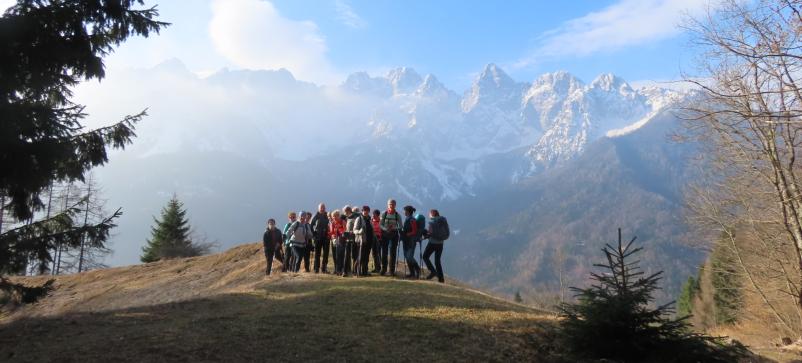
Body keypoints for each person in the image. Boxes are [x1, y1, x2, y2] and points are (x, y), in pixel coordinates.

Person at [423, 209, 449, 283]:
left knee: (425, 256)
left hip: (432, 243)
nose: (429, 215)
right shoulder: (443, 220)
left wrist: (425, 235)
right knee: (437, 261)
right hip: (440, 243)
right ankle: (441, 279)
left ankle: (433, 271)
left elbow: (430, 233)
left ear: (433, 214)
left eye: (429, 214)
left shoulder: (432, 222)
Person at [380, 199, 402, 276]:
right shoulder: (384, 214)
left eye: (393, 204)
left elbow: (401, 226)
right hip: (385, 235)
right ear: (387, 205)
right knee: (384, 253)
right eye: (390, 204)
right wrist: (386, 229)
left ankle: (391, 271)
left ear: (395, 205)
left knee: (393, 253)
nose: (391, 206)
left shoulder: (397, 215)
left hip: (394, 235)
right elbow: (380, 225)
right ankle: (383, 269)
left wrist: (394, 228)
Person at [353, 205, 374, 276]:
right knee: (360, 256)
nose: (366, 212)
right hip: (361, 240)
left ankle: (365, 271)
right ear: (362, 211)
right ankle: (356, 271)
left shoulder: (369, 219)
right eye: (364, 210)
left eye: (367, 210)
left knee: (366, 257)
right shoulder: (359, 219)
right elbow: (354, 230)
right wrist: (359, 232)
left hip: (369, 240)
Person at [401, 205, 421, 279]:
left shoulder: (412, 220)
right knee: (407, 257)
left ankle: (417, 269)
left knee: (409, 257)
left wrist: (407, 234)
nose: (404, 212)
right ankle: (412, 273)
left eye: (405, 211)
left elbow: (414, 231)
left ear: (408, 212)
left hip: (411, 241)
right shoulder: (408, 219)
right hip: (406, 240)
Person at [310, 203, 330, 273]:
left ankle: (324, 269)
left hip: (326, 238)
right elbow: (311, 226)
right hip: (317, 238)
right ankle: (316, 269)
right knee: (317, 254)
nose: (322, 209)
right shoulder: (315, 216)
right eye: (321, 207)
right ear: (318, 208)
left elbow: (330, 225)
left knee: (326, 254)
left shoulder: (327, 216)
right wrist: (314, 235)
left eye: (323, 207)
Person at [330, 210, 346, 275]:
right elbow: (331, 232)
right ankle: (337, 270)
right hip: (335, 241)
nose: (334, 218)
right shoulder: (332, 223)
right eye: (333, 216)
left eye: (335, 216)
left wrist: (342, 234)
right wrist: (333, 236)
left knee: (341, 256)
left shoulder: (343, 222)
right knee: (335, 256)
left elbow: (345, 230)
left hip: (342, 241)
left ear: (338, 216)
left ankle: (342, 269)